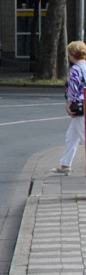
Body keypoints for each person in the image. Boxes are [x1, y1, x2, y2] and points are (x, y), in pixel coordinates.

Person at [52, 40, 86, 174]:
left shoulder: (75, 69)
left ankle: (66, 165)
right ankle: (65, 164)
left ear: (73, 55)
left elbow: (73, 87)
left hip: (80, 105)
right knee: (71, 136)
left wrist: (68, 103)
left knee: (83, 136)